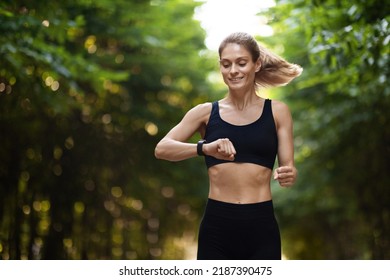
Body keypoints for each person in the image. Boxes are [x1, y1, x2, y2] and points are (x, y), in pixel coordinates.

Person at [154, 32, 302, 260]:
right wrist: (204, 147)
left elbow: (288, 169)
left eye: (241, 63)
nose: (233, 70)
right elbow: (162, 149)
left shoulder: (278, 112)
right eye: (226, 64)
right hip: (217, 226)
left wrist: (289, 174)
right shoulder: (205, 113)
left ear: (257, 64)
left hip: (261, 226)